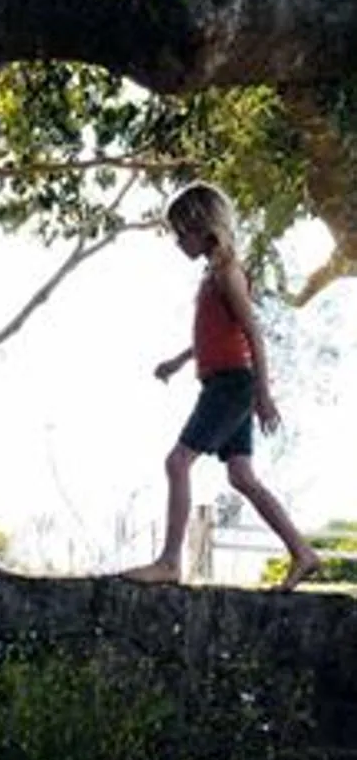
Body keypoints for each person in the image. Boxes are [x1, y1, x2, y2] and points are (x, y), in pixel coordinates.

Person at [123, 181, 320, 591]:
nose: (178, 242)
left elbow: (253, 332)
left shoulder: (228, 272)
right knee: (242, 477)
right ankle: (303, 553)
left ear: (204, 228)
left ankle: (169, 561)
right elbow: (214, 335)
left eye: (182, 233)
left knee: (177, 462)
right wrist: (178, 362)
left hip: (233, 385)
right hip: (225, 382)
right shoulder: (213, 274)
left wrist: (263, 395)